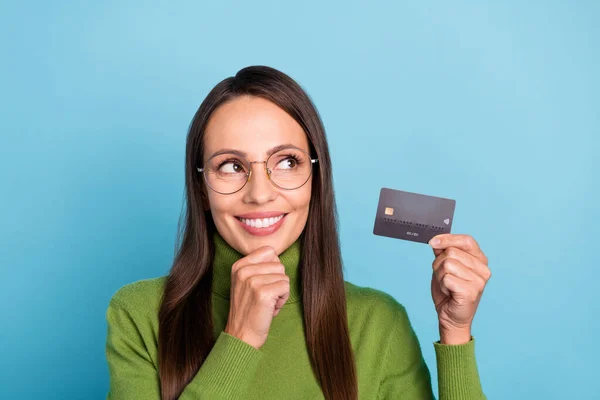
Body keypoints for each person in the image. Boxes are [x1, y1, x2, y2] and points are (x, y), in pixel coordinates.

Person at [105, 65, 492, 400]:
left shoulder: (378, 323)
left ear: (315, 179)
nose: (259, 194)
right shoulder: (139, 315)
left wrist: (455, 332)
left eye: (287, 161)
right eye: (231, 166)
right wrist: (238, 341)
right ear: (202, 188)